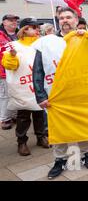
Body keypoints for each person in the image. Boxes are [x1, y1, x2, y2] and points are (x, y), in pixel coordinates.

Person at [32, 7, 88, 179]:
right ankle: (59, 159)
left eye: (68, 17)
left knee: (82, 125)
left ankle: (86, 154)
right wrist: (40, 96)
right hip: (56, 94)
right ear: (58, 21)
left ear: (76, 20)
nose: (65, 20)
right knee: (58, 128)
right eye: (61, 18)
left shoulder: (86, 40)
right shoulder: (46, 42)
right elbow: (38, 70)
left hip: (80, 92)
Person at [2, 18, 49, 156]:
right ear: (24, 30)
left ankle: (41, 137)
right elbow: (9, 65)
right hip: (23, 88)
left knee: (40, 114)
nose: (37, 29)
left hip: (39, 87)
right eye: (33, 27)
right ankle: (21, 142)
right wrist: (11, 57)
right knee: (23, 117)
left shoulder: (42, 44)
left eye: (37, 27)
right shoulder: (13, 46)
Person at [0, 14, 19, 130]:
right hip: (3, 71)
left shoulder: (20, 35)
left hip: (18, 70)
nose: (13, 22)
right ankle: (5, 118)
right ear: (4, 22)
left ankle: (14, 115)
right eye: (10, 20)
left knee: (16, 93)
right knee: (5, 95)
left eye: (15, 20)